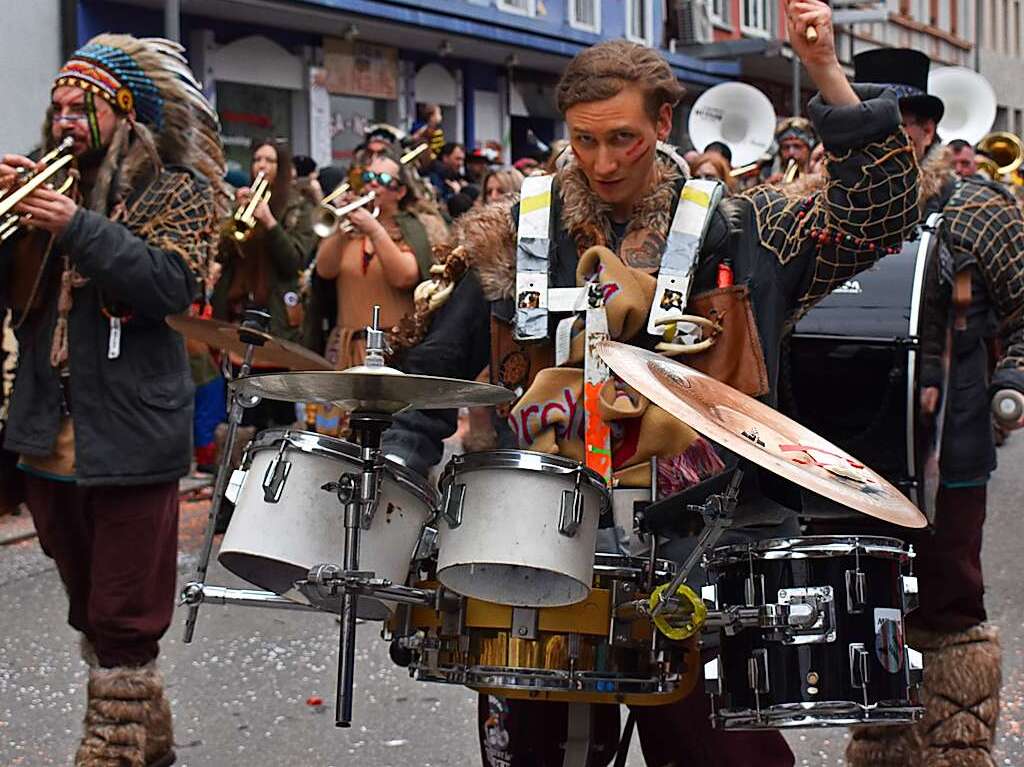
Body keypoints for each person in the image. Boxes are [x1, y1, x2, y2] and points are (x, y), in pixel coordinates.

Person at [384, 3, 919, 763]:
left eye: (624, 139)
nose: (603, 163)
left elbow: (880, 215)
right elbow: (429, 381)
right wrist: (395, 476)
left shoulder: (740, 228)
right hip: (537, 549)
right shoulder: (509, 234)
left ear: (664, 122)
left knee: (725, 758)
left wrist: (827, 69)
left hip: (700, 549)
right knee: (543, 755)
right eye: (585, 141)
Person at [0, 34, 224, 766]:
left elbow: (169, 285)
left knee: (125, 611)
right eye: (57, 106)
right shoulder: (37, 192)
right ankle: (147, 735)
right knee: (88, 603)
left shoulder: (176, 189)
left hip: (131, 433)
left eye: (81, 106)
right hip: (49, 432)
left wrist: (77, 226)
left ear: (122, 113)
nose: (64, 120)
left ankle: (114, 746)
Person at [835, 47, 1024, 767]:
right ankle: (882, 744)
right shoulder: (821, 209)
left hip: (951, 443)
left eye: (899, 123)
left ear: (920, 128)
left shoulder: (977, 208)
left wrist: (1013, 379)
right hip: (847, 447)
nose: (888, 138)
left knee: (947, 599)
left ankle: (956, 745)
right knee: (867, 597)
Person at [210, 138, 315, 429]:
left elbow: (294, 260)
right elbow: (223, 253)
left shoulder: (298, 208)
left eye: (270, 161)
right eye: (257, 159)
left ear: (282, 168)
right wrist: (234, 215)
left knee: (276, 408)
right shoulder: (243, 202)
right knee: (240, 405)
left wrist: (270, 223)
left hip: (277, 315)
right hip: (240, 311)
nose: (261, 166)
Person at [309, 151, 435, 380]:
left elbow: (405, 277)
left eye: (384, 180)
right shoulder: (348, 232)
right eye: (368, 178)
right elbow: (324, 271)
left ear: (400, 191)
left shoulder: (411, 230)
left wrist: (375, 230)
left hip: (393, 351)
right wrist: (339, 226)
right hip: (347, 349)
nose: (373, 184)